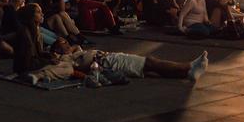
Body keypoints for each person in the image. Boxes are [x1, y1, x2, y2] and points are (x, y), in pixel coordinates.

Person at [52, 37, 208, 83]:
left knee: (151, 69)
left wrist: (70, 48)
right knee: (149, 63)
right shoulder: (64, 59)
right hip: (109, 62)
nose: (67, 44)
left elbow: (76, 46)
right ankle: (188, 67)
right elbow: (70, 66)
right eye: (63, 43)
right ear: (58, 50)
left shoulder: (71, 53)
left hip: (110, 58)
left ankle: (187, 73)